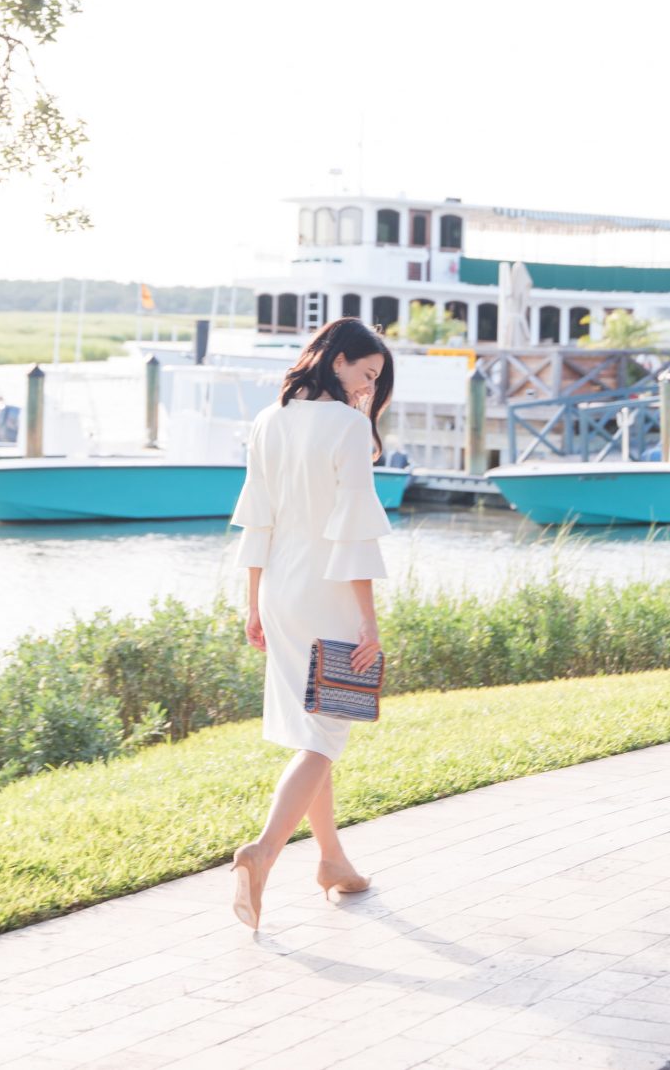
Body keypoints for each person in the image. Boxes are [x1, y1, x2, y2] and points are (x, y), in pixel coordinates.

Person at [228, 316, 394, 931]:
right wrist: (369, 621)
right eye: (366, 373)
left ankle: (332, 861)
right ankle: (264, 852)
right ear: (339, 358)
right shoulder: (348, 427)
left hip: (277, 587)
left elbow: (257, 520)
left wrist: (252, 602)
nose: (367, 387)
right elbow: (353, 529)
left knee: (313, 730)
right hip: (327, 592)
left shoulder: (268, 420)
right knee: (326, 734)